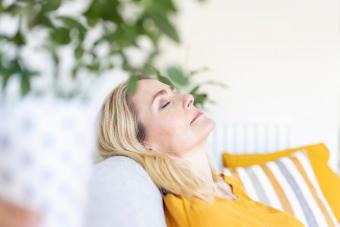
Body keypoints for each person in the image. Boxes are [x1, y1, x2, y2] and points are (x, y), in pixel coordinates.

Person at [96, 76, 305, 227]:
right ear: (142, 144)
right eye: (165, 103)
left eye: (174, 92)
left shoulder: (227, 185)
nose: (188, 97)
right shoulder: (200, 215)